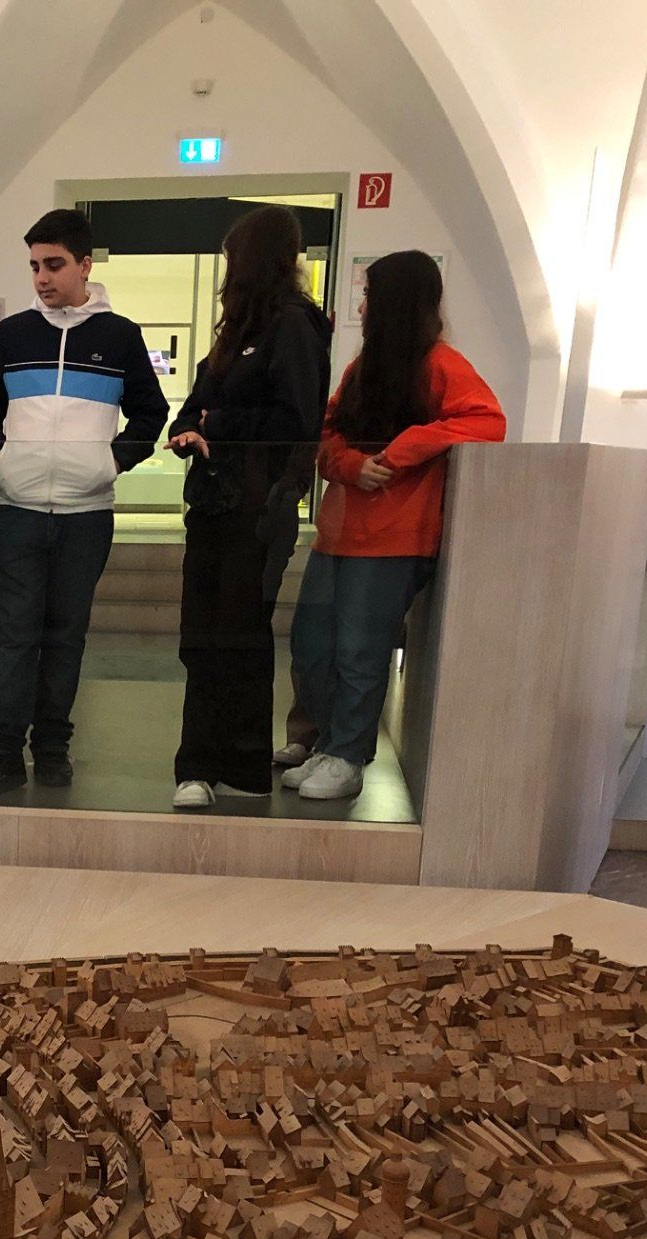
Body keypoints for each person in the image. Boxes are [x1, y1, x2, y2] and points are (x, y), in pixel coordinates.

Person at [0, 209, 167, 798]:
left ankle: (52, 748)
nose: (41, 277)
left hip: (86, 516)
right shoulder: (14, 333)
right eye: (34, 266)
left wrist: (111, 463)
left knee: (66, 636)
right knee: (14, 636)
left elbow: (151, 412)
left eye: (53, 264)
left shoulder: (120, 336)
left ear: (85, 265)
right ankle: (0, 753)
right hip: (18, 510)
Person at [287, 250, 506, 801]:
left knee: (360, 653)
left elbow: (486, 421)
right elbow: (329, 432)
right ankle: (329, 746)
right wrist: (351, 465)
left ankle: (346, 755)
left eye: (370, 295)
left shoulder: (442, 364)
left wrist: (400, 453)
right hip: (339, 531)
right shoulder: (362, 369)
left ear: (396, 303)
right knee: (312, 645)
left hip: (396, 537)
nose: (361, 307)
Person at [167, 205, 332, 811]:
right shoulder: (235, 331)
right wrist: (190, 428)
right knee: (202, 636)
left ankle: (233, 763)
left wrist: (218, 423)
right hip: (214, 503)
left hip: (258, 505)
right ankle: (198, 763)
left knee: (238, 636)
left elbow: (297, 419)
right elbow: (193, 406)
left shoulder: (293, 325)